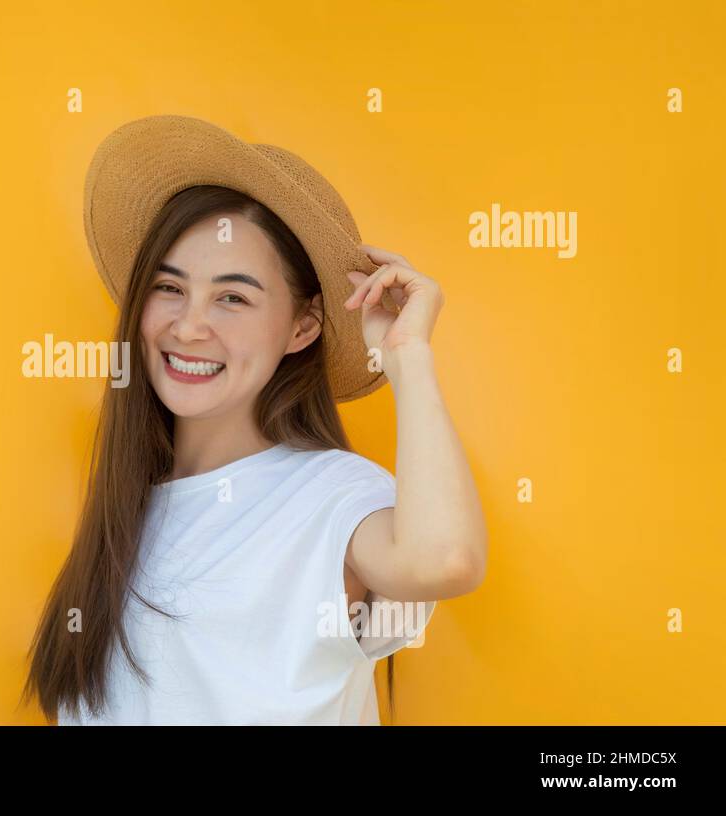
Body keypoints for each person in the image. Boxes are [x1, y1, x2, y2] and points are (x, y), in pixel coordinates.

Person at [24, 115, 487, 725]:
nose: (188, 327)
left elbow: (445, 560)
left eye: (233, 297)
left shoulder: (332, 496)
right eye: (169, 287)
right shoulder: (122, 513)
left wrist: (406, 357)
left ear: (302, 327)